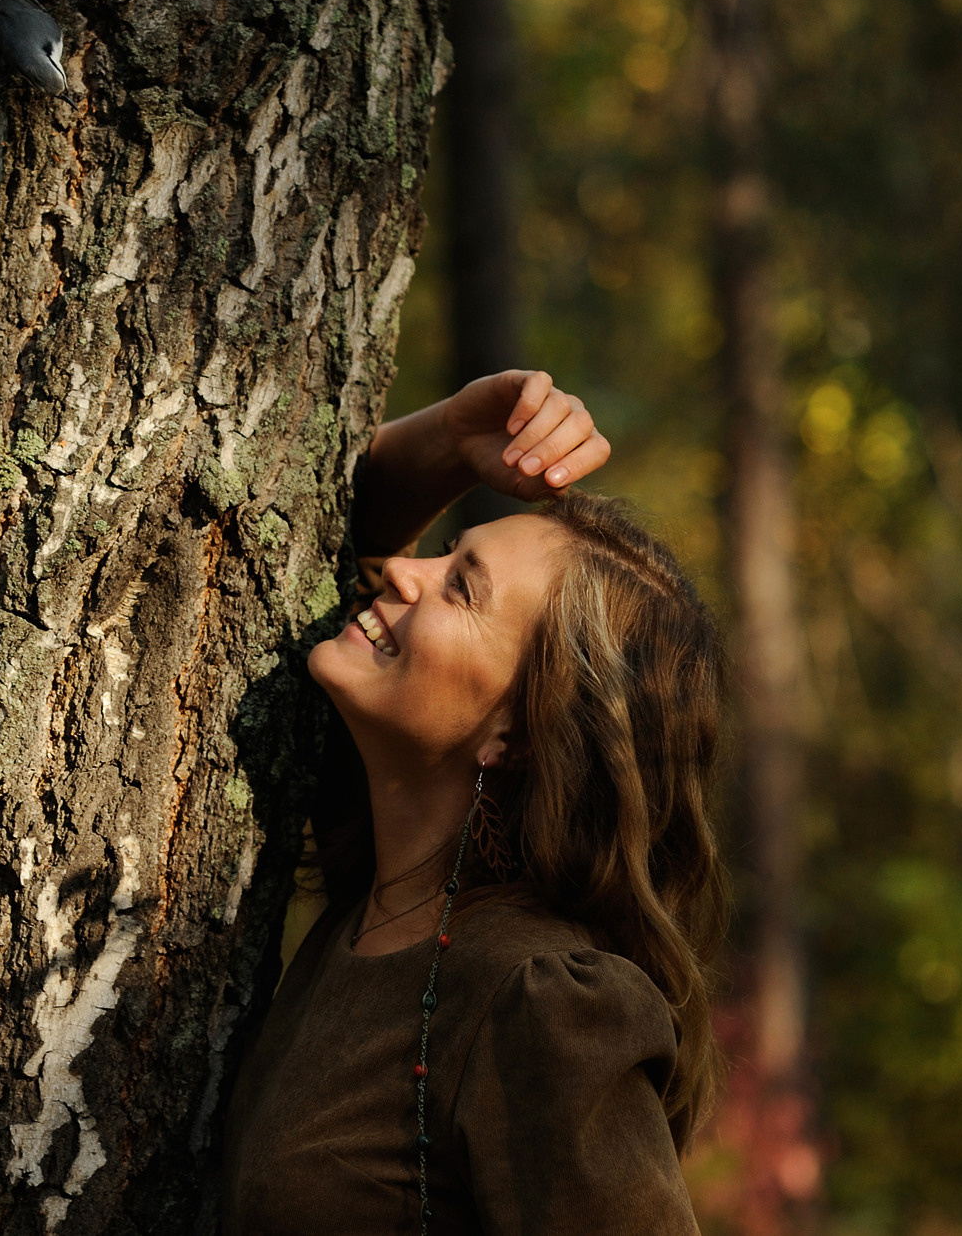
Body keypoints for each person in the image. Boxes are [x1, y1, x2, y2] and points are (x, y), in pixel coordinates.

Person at [220, 370, 722, 1235]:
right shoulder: (372, 899)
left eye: (460, 586)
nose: (404, 573)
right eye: (446, 554)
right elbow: (279, 533)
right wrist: (451, 440)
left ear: (517, 738)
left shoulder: (545, 1001)